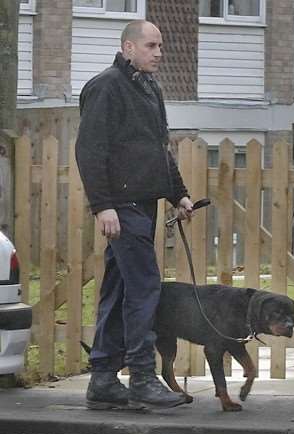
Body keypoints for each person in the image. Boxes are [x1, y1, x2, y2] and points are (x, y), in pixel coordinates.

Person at [75, 20, 194, 410]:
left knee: (119, 288)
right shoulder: (106, 86)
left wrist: (179, 194)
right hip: (121, 208)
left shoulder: (149, 87)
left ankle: (104, 380)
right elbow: (90, 151)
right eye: (150, 46)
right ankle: (143, 377)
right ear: (128, 47)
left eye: (160, 46)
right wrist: (103, 205)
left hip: (143, 205)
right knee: (145, 287)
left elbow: (159, 148)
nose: (158, 53)